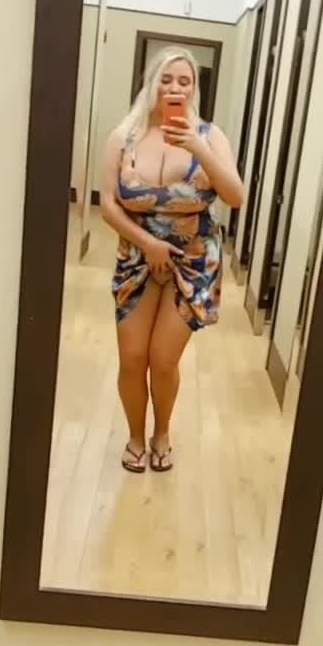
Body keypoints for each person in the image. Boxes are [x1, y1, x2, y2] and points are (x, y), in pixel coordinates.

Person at [100, 46, 243, 474]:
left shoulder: (211, 136)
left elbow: (235, 196)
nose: (174, 87)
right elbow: (108, 204)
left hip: (192, 263)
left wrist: (198, 147)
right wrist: (148, 243)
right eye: (166, 79)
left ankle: (161, 433)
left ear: (194, 88)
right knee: (132, 358)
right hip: (137, 257)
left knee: (163, 360)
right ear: (152, 82)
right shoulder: (123, 137)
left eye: (184, 80)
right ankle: (134, 436)